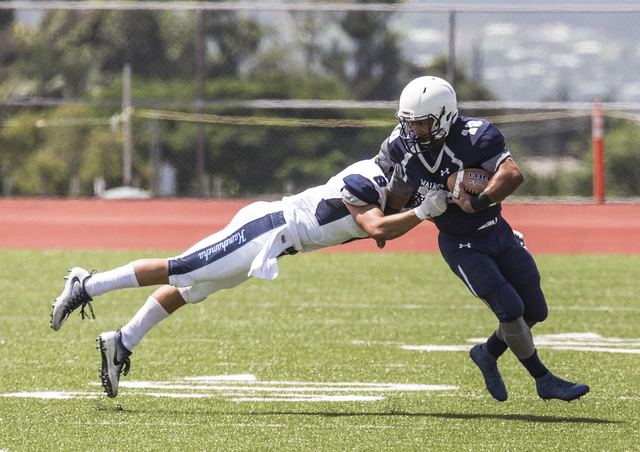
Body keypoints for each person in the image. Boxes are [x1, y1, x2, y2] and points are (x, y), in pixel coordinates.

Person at [50, 156, 448, 398]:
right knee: (184, 267)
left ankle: (122, 341)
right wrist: (422, 213)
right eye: (410, 191)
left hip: (274, 240)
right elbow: (379, 230)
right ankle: (86, 285)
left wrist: (415, 213)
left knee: (194, 288)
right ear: (397, 178)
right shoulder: (367, 182)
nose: (410, 199)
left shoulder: (382, 188)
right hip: (268, 227)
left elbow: (382, 230)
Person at [380, 75, 589, 403]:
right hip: (460, 243)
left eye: (422, 123)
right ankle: (544, 379)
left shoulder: (475, 136)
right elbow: (398, 192)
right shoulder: (401, 148)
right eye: (410, 123)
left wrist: (477, 201)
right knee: (510, 307)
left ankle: (486, 353)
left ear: (445, 117)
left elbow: (512, 174)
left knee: (534, 310)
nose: (414, 131)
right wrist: (386, 218)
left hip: (497, 230)